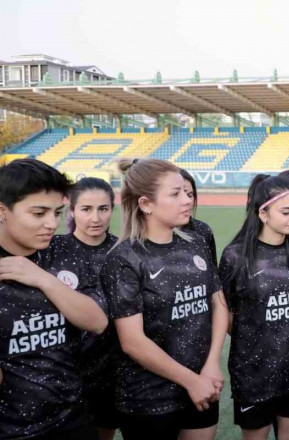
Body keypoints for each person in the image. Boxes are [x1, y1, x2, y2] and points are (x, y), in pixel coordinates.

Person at [101, 159, 228, 440]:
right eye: (175, 194)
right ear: (146, 204)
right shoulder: (124, 259)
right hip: (149, 399)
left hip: (203, 385)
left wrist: (211, 364)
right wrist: (191, 381)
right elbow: (132, 342)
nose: (187, 200)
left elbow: (218, 304)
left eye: (186, 192)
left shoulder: (196, 243)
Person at [0, 159, 108, 440]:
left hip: (74, 419)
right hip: (12, 428)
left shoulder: (65, 251)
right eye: (39, 213)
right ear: (2, 211)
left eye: (57, 212)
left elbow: (96, 321)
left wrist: (41, 278)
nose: (52, 224)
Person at [220, 175, 289, 440]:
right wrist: (253, 336)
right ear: (263, 212)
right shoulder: (235, 255)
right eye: (286, 212)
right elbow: (224, 312)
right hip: (253, 370)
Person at [62, 177, 120, 440]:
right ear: (71, 210)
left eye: (103, 209)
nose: (95, 218)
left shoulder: (123, 251)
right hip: (66, 373)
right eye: (86, 209)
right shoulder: (53, 251)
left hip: (115, 370)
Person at [179, 169, 218, 264]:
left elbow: (212, 273)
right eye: (176, 194)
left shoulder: (203, 230)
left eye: (190, 195)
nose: (187, 201)